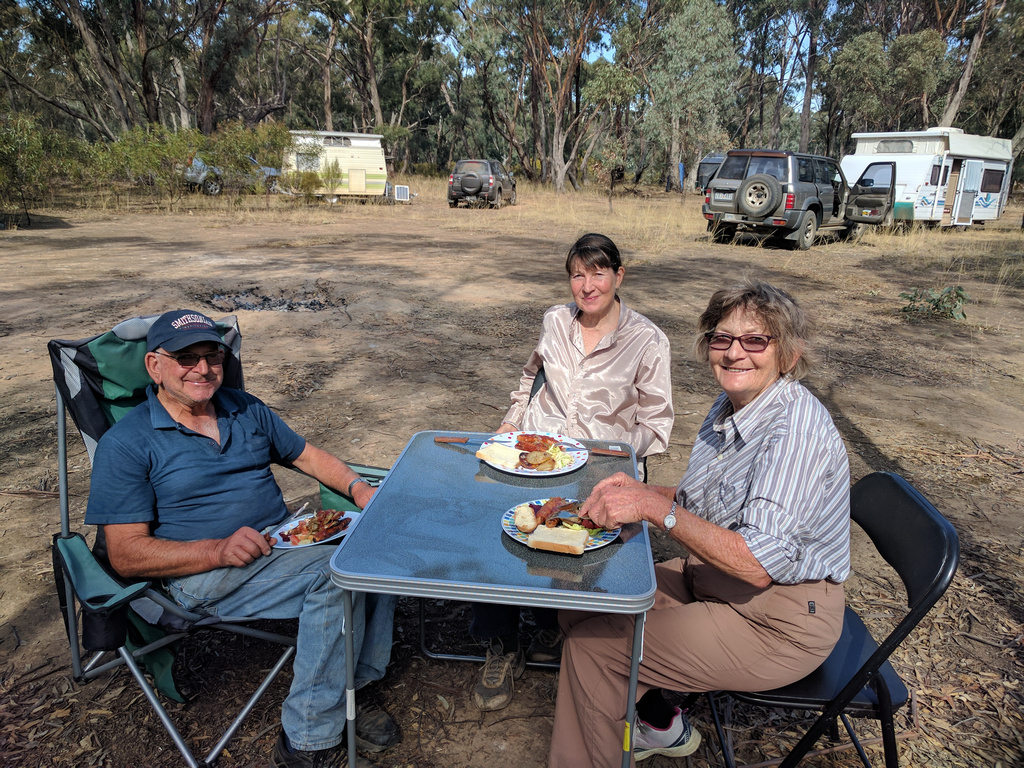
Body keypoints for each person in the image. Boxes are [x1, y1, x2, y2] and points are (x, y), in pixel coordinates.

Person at [548, 280, 851, 767]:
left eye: (755, 340)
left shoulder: (795, 431)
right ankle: (659, 725)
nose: (734, 353)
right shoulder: (730, 406)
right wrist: (637, 493)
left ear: (789, 355)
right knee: (583, 604)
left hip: (775, 619)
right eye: (722, 337)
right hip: (713, 579)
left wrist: (654, 509)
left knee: (593, 649)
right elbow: (697, 501)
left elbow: (756, 565)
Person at [84, 310, 398, 768]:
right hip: (200, 572)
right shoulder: (127, 443)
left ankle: (353, 688)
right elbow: (126, 555)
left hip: (281, 543)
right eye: (185, 358)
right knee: (336, 577)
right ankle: (306, 744)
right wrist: (216, 549)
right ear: (154, 365)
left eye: (212, 356)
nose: (203, 369)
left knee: (376, 546)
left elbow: (307, 456)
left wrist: (359, 489)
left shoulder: (244, 407)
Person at [471, 233, 674, 712]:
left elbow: (656, 425)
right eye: (578, 275)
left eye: (598, 273)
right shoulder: (554, 321)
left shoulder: (647, 340)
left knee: (573, 544)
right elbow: (530, 379)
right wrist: (510, 426)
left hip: (600, 465)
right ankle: (501, 641)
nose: (587, 286)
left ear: (619, 276)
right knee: (497, 531)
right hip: (537, 453)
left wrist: (609, 454)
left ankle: (553, 624)